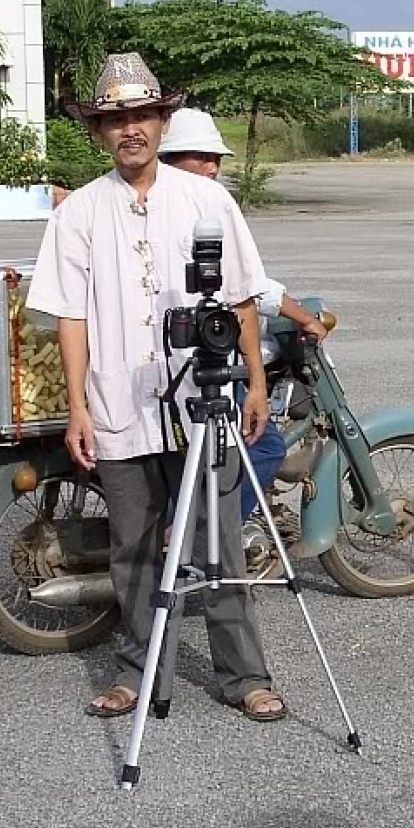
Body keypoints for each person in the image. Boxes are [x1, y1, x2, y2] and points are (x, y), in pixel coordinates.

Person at [26, 54, 286, 721]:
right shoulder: (79, 214)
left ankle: (244, 676)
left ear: (163, 122)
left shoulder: (207, 200)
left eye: (142, 116)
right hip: (119, 407)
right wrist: (79, 406)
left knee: (220, 542)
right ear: (97, 132)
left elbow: (241, 300)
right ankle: (140, 677)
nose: (130, 130)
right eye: (115, 120)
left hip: (205, 403)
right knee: (134, 550)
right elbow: (71, 317)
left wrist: (255, 382)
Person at [159, 108, 327, 534]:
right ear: (171, 159)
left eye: (215, 158)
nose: (212, 167)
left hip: (161, 360)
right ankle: (212, 537)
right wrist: (303, 317)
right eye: (200, 156)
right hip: (194, 365)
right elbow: (246, 290)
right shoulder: (199, 210)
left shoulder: (151, 203)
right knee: (266, 446)